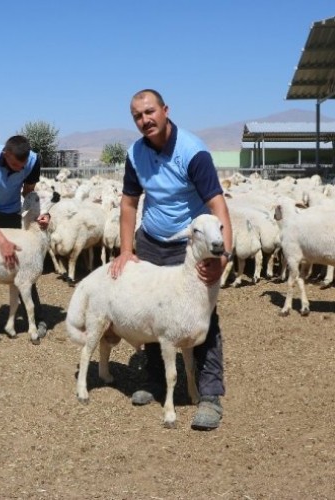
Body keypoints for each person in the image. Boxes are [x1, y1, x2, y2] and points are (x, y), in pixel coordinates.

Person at [109, 89, 233, 431]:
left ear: (165, 110)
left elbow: (218, 206)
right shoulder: (136, 153)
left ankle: (209, 395)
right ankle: (153, 381)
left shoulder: (193, 152)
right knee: (151, 311)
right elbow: (129, 203)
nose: (144, 120)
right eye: (137, 116)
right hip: (151, 240)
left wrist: (223, 256)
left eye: (150, 112)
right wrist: (125, 250)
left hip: (190, 244)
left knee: (202, 317)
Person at [0, 135, 50, 343]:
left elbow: (28, 192)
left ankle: (36, 317)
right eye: (14, 164)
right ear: (6, 154)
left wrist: (37, 215)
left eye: (20, 167)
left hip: (11, 210)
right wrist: (1, 241)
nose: (17, 170)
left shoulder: (32, 161)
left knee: (24, 263)